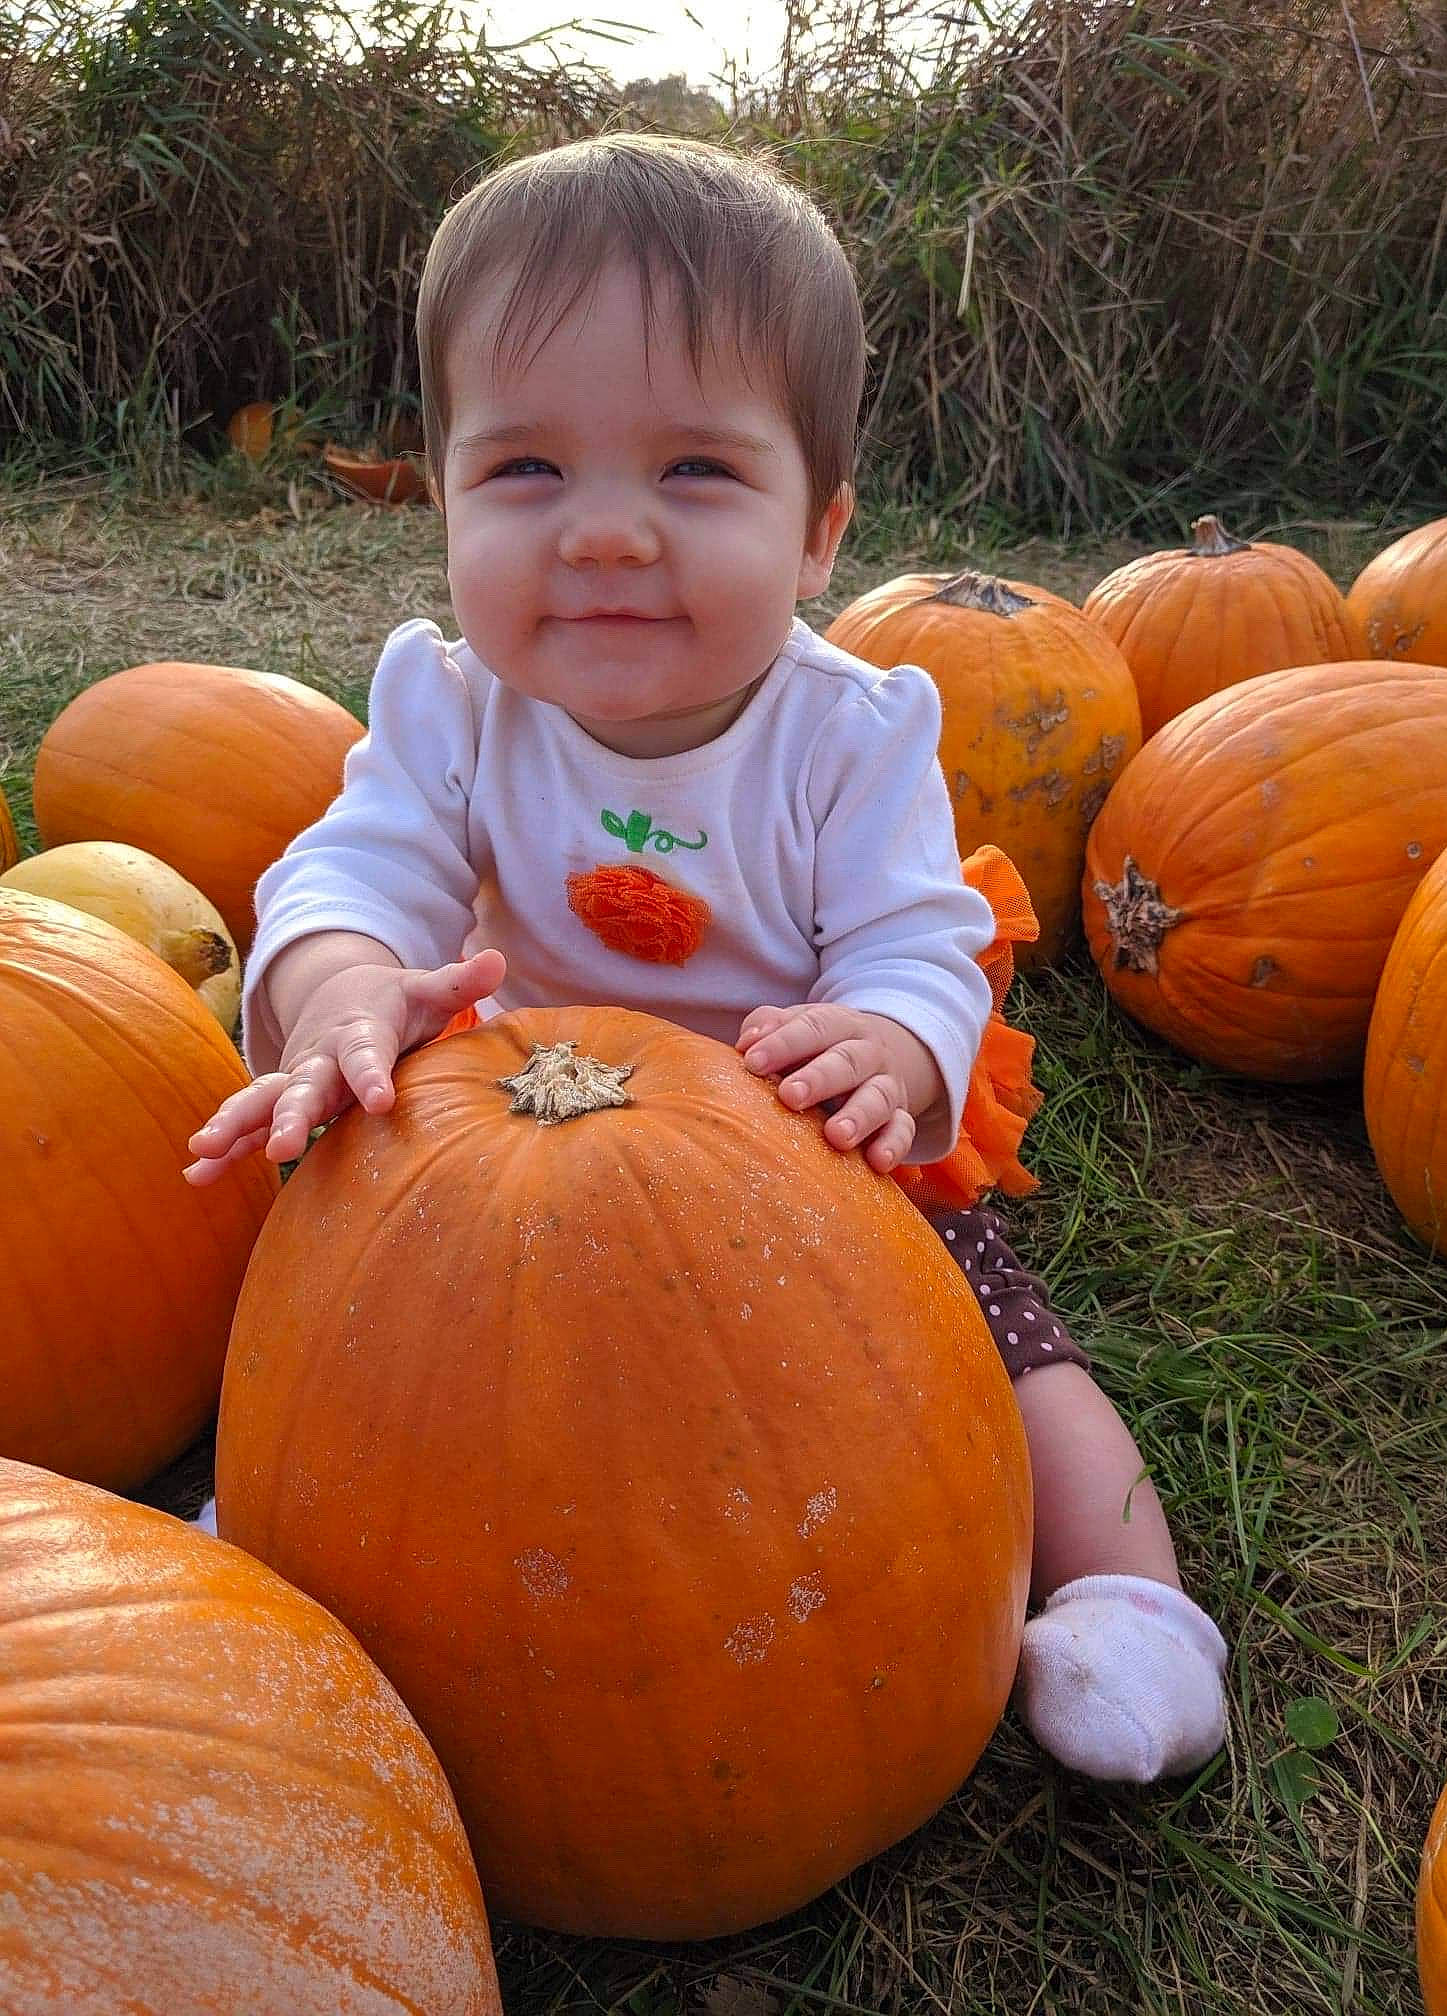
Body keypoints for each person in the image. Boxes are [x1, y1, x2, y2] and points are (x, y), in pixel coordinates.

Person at [184, 133, 1226, 1783]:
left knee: (1008, 1361)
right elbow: (353, 871)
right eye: (526, 472)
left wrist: (891, 1045)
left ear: (819, 533)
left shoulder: (850, 732)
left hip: (802, 1155)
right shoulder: (455, 707)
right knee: (365, 1351)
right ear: (441, 496)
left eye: (692, 475)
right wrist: (339, 986)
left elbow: (915, 934)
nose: (604, 534)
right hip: (498, 1160)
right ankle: (294, 1554)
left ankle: (1130, 1603)